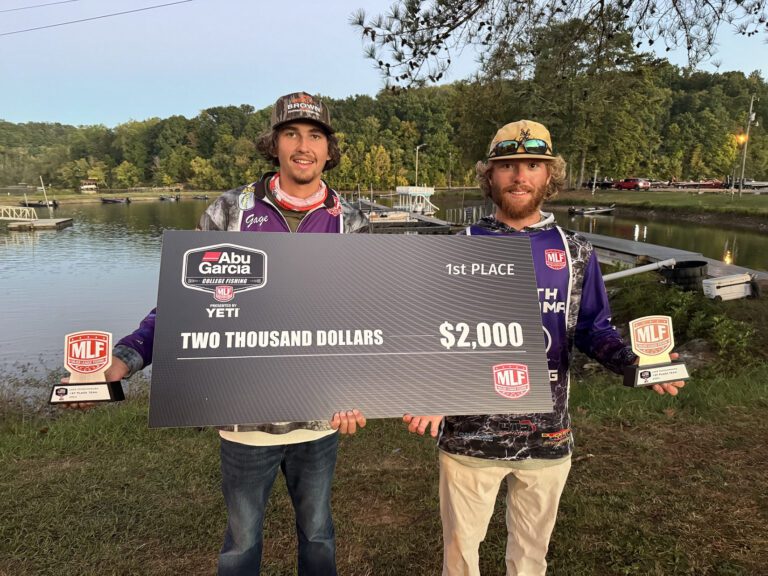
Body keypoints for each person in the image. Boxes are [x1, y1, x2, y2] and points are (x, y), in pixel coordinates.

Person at [68, 92, 369, 576]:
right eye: (291, 134)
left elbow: (366, 317)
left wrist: (363, 391)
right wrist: (124, 359)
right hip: (242, 416)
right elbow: (182, 306)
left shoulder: (350, 221)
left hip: (320, 420)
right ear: (274, 143)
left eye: (315, 136)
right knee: (240, 544)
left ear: (328, 149)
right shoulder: (229, 210)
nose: (303, 146)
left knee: (318, 535)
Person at [404, 120, 685, 576]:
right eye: (508, 166)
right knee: (459, 560)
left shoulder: (575, 251)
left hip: (548, 438)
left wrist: (635, 363)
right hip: (469, 438)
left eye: (533, 165)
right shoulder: (459, 247)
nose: (520, 176)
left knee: (531, 561)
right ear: (490, 175)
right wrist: (430, 392)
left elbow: (594, 328)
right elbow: (433, 334)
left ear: (549, 175)